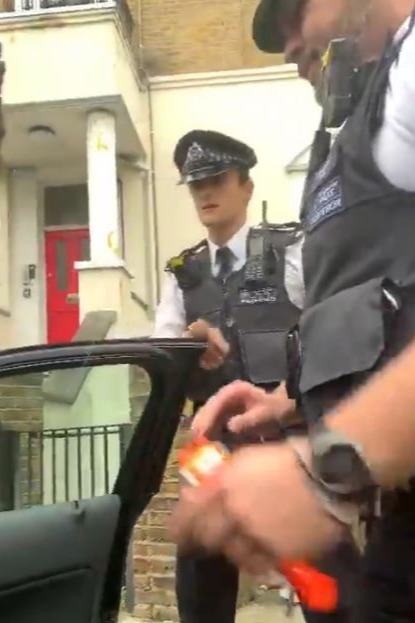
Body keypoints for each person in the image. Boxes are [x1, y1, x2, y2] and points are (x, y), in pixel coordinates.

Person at [171, 1, 415, 621]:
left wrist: (324, 465)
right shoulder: (368, 114)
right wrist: (285, 397)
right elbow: (370, 308)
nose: (285, 46)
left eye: (295, 9)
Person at [152, 129, 307, 623]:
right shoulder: (183, 273)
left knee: (320, 568)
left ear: (247, 186)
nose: (205, 193)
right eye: (195, 185)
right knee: (198, 568)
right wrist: (188, 345)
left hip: (285, 434)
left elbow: (328, 328)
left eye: (216, 179)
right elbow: (162, 356)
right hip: (210, 446)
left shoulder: (291, 251)